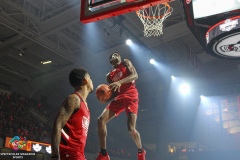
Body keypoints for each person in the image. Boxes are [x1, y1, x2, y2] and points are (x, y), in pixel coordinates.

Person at [96, 52, 146, 160]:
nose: (114, 56)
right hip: (119, 98)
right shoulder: (109, 76)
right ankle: (103, 154)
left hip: (131, 95)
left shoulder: (125, 62)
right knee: (100, 120)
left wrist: (120, 82)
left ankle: (141, 151)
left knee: (131, 129)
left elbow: (135, 75)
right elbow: (113, 93)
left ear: (119, 57)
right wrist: (105, 99)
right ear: (110, 61)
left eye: (116, 54)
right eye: (112, 55)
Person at [51, 68, 93, 160]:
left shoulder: (84, 104)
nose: (91, 81)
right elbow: (57, 125)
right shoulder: (74, 99)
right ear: (85, 80)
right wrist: (55, 156)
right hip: (69, 154)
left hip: (78, 154)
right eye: (90, 78)